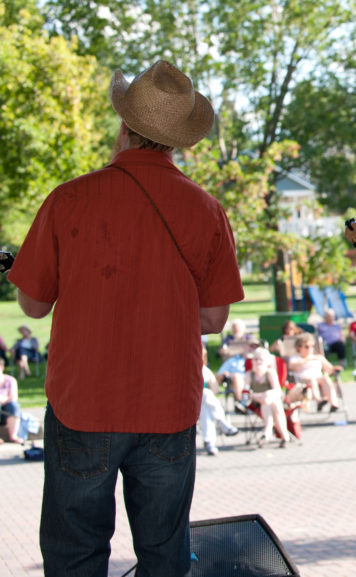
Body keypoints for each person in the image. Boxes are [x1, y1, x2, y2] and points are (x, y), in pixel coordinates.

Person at [8, 60, 244, 577]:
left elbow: (32, 306)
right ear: (178, 139)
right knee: (164, 557)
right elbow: (214, 318)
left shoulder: (69, 198)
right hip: (168, 406)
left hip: (83, 404)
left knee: (75, 556)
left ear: (124, 126)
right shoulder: (206, 209)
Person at [246, 348, 289, 449]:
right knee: (269, 401)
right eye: (256, 359)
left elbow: (277, 391)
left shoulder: (270, 373)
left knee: (270, 401)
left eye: (261, 359)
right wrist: (261, 396)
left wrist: (266, 395)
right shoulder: (249, 375)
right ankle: (284, 436)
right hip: (256, 401)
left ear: (266, 361)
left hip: (270, 399)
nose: (258, 362)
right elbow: (247, 393)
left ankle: (267, 431)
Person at [198, 347, 238, 456]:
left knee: (205, 408)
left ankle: (209, 442)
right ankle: (223, 422)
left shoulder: (205, 370)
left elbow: (215, 390)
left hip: (203, 404)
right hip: (189, 404)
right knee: (205, 394)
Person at [287, 332, 341, 412]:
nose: (310, 349)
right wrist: (307, 359)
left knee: (326, 379)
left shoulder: (318, 357)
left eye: (312, 346)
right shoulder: (295, 358)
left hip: (319, 378)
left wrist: (335, 369)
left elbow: (330, 369)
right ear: (299, 348)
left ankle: (333, 404)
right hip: (302, 381)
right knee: (312, 380)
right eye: (307, 347)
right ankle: (319, 401)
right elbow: (291, 366)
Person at [218, 318, 260, 409]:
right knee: (236, 377)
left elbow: (257, 347)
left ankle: (242, 403)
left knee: (240, 377)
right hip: (232, 365)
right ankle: (241, 402)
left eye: (237, 328)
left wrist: (248, 347)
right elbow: (221, 351)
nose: (235, 330)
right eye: (234, 328)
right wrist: (226, 351)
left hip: (246, 365)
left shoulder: (248, 337)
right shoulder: (228, 339)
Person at [0, 358, 25, 444]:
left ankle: (13, 436)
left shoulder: (10, 380)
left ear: (2, 367)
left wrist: (3, 399)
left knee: (13, 406)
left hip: (6, 409)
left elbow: (13, 397)